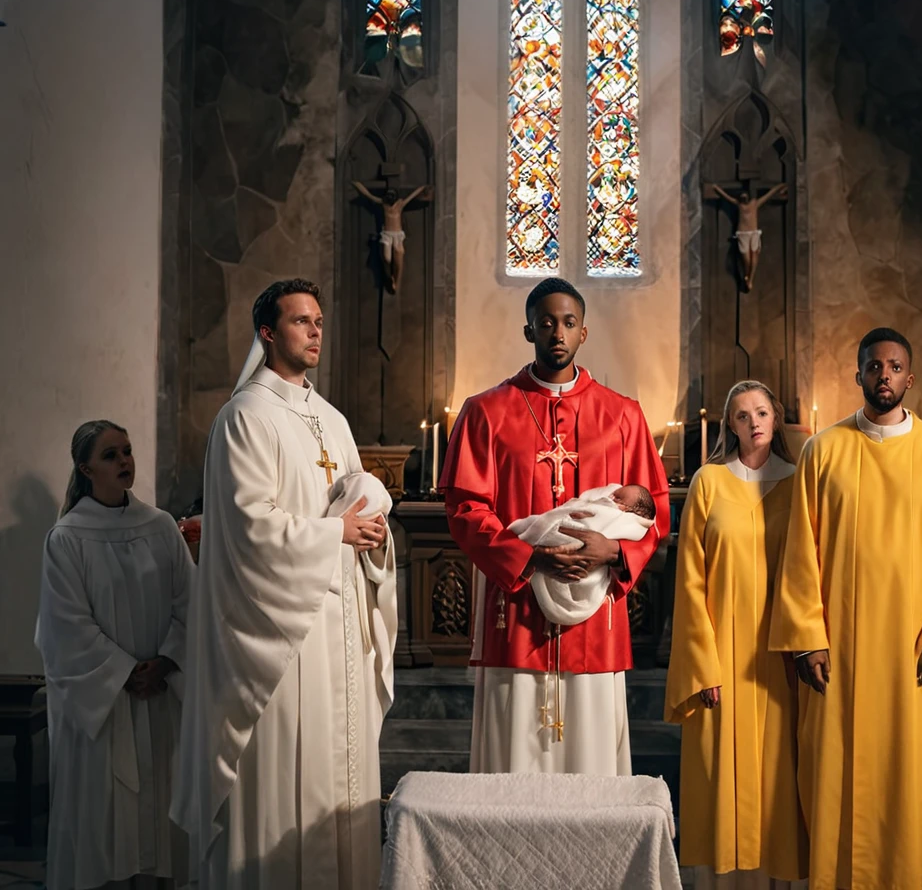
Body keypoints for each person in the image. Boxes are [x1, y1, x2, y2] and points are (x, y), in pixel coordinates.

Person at [172, 279, 395, 889]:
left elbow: (355, 509)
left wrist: (372, 533)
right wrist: (336, 535)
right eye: (301, 321)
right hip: (278, 637)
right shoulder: (244, 416)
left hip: (338, 625)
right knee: (286, 767)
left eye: (320, 320)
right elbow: (247, 527)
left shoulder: (332, 420)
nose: (316, 330)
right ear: (268, 333)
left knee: (336, 768)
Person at [768, 327, 922, 890]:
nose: (884, 376)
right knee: (835, 779)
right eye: (873, 366)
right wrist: (808, 635)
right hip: (838, 654)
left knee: (907, 782)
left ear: (911, 377)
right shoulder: (824, 451)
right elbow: (800, 553)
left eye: (894, 366)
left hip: (912, 655)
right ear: (857, 374)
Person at [439, 276, 669, 774]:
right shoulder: (486, 412)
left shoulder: (623, 415)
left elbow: (655, 513)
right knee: (515, 761)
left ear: (584, 332)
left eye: (568, 323)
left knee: (591, 763)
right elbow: (464, 508)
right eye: (546, 323)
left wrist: (612, 553)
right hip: (517, 609)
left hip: (596, 615)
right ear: (529, 331)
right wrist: (528, 556)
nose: (557, 333)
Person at [36, 420, 192, 890]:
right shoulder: (67, 538)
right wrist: (126, 673)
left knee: (158, 821)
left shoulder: (161, 526)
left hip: (158, 697)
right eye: (110, 455)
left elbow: (190, 603)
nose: (125, 461)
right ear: (85, 469)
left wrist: (165, 661)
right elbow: (66, 628)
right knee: (105, 823)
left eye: (126, 451)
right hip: (104, 710)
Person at [665, 381, 807, 889]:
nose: (754, 422)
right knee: (720, 777)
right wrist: (702, 665)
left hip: (782, 658)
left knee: (780, 779)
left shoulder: (800, 483)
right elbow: (690, 581)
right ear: (731, 425)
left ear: (777, 417)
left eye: (762, 412)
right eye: (743, 415)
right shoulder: (709, 482)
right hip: (722, 656)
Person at [509, 483, 656, 627]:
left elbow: (649, 522)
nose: (612, 498)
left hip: (602, 592)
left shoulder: (633, 495)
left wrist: (614, 550)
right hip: (518, 580)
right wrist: (524, 555)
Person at [351, 180, 429, 291]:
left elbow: (411, 196)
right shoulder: (383, 203)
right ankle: (388, 276)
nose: (390, 200)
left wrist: (422, 187)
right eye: (389, 197)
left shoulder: (400, 204)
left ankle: (395, 282)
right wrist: (356, 184)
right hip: (387, 234)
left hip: (397, 234)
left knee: (399, 256)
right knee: (387, 258)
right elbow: (368, 195)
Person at [711, 183, 788, 290]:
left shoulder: (754, 203)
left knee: (754, 256)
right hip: (743, 233)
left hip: (753, 232)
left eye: (745, 197)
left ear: (748, 197)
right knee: (746, 258)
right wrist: (717, 188)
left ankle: (750, 279)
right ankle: (747, 276)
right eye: (742, 198)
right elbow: (726, 197)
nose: (744, 199)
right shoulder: (739, 205)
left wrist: (781, 186)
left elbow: (769, 194)